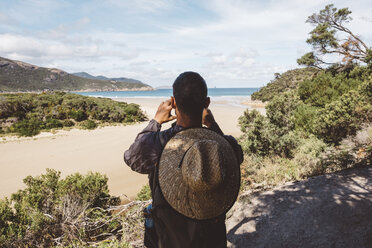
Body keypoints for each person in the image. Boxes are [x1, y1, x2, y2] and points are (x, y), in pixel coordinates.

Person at [124, 71, 243, 248]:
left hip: (170, 237)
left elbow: (132, 157)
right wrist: (212, 125)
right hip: (212, 237)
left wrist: (156, 120)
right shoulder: (224, 144)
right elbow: (236, 156)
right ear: (207, 103)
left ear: (173, 102)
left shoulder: (159, 142)